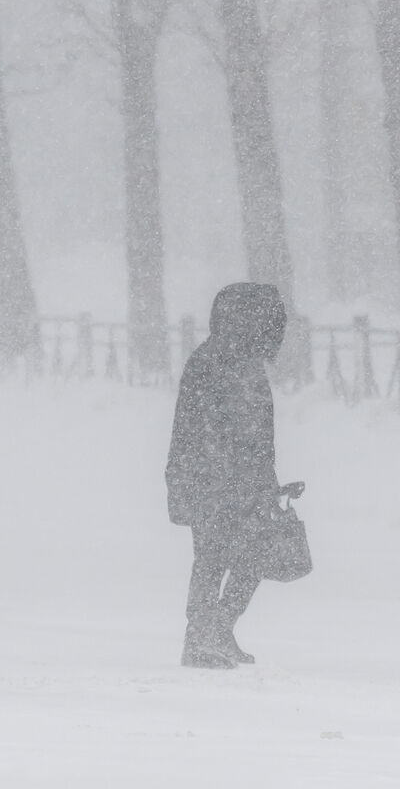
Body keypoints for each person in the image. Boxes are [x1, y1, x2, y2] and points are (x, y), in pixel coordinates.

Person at [165, 282, 290, 669]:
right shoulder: (214, 362)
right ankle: (200, 637)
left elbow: (258, 435)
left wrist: (267, 483)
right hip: (210, 481)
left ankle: (217, 629)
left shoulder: (243, 364)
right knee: (213, 556)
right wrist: (223, 477)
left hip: (237, 482)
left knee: (252, 555)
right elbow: (201, 428)